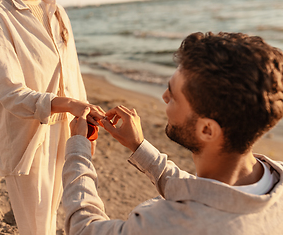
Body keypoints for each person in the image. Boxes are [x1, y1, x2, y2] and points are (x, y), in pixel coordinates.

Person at [62, 32, 283, 234]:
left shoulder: (171, 222)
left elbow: (83, 228)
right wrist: (139, 147)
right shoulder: (275, 179)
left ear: (207, 129)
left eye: (173, 94)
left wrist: (78, 149)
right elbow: (205, 192)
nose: (164, 96)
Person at [0, 0, 105, 234]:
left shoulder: (57, 10)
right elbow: (11, 93)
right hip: (29, 140)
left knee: (58, 214)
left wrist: (85, 121)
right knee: (37, 227)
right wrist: (70, 104)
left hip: (68, 132)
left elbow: (72, 73)